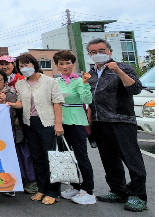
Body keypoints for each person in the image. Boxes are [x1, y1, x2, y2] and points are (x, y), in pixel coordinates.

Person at [86, 38, 146, 212]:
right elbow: (90, 99)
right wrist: (89, 119)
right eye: (93, 52)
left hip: (121, 120)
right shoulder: (90, 74)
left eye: (102, 50)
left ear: (110, 52)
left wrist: (119, 71)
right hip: (99, 121)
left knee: (131, 159)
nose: (98, 54)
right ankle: (117, 190)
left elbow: (135, 88)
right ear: (89, 55)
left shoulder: (123, 68)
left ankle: (138, 195)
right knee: (109, 160)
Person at [7, 53, 64, 205]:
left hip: (47, 122)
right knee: (37, 157)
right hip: (29, 123)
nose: (24, 68)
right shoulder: (21, 84)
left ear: (34, 64)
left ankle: (53, 191)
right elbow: (21, 103)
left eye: (27, 64)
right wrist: (11, 105)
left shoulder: (49, 81)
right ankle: (41, 188)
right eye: (21, 66)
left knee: (50, 158)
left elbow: (57, 103)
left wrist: (58, 124)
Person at [52, 50, 96, 205]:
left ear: (73, 64)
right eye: (61, 63)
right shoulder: (56, 82)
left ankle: (88, 190)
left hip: (76, 120)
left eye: (68, 63)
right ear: (57, 66)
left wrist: (85, 84)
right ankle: (75, 186)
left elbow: (86, 99)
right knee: (67, 157)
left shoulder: (79, 80)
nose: (65, 66)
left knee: (81, 155)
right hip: (61, 121)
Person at [0, 70, 31, 197]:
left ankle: (10, 186)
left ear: (5, 82)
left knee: (7, 157)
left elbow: (10, 114)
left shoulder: (11, 94)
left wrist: (2, 103)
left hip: (8, 130)